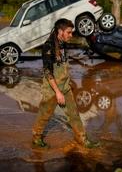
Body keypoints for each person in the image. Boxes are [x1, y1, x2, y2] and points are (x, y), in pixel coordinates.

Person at [32, 18, 99, 149]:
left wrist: (68, 83)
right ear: (60, 31)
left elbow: (62, 65)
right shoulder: (48, 46)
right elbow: (48, 72)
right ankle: (36, 137)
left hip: (65, 86)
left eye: (71, 32)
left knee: (74, 114)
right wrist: (57, 93)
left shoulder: (63, 44)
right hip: (52, 89)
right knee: (45, 115)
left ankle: (82, 139)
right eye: (69, 32)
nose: (71, 35)